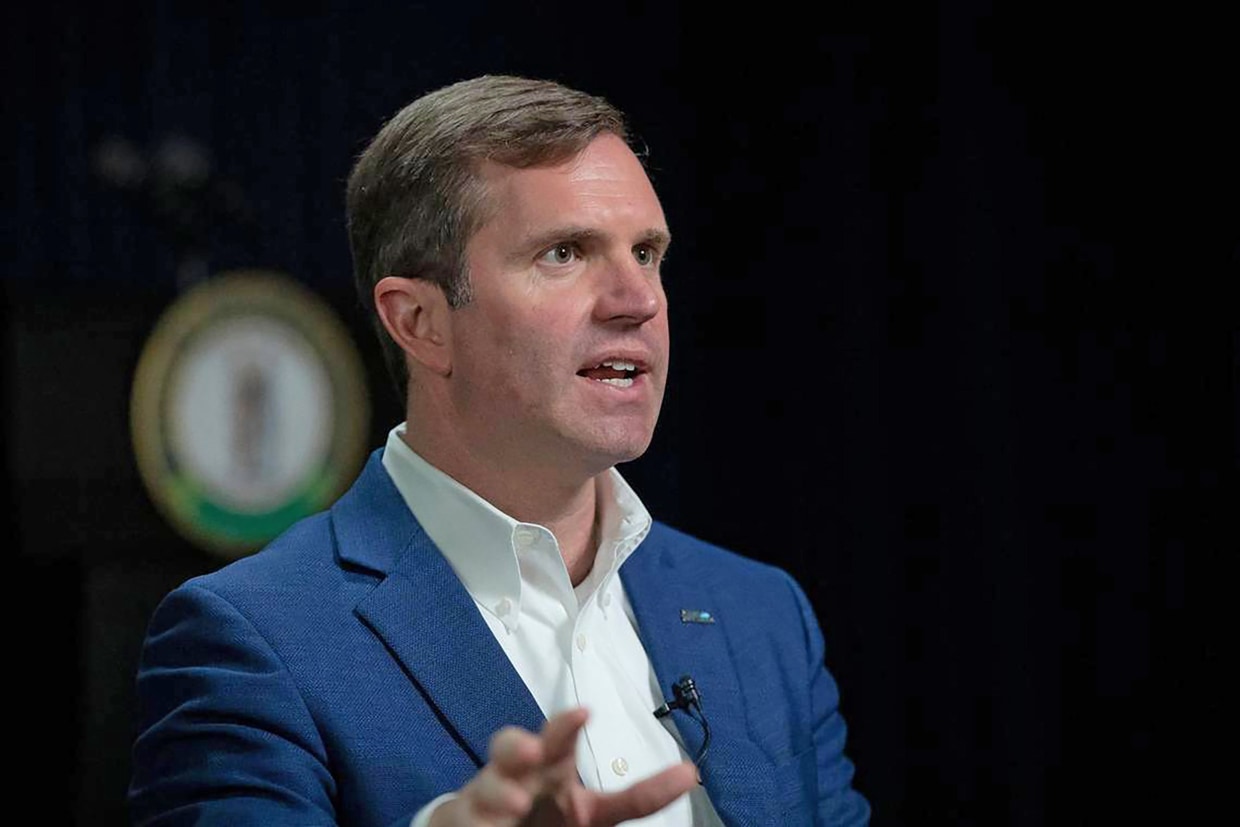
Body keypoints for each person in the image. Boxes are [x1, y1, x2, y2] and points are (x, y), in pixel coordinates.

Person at [129, 75, 871, 827]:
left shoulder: (762, 614)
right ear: (419, 321)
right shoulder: (251, 643)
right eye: (565, 253)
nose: (638, 298)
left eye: (647, 252)